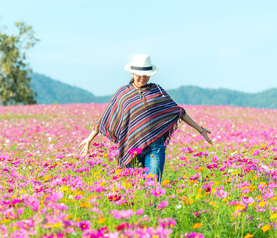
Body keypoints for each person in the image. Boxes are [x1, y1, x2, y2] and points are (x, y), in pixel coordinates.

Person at [78, 54, 212, 182]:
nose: (143, 78)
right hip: (131, 147)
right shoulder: (123, 93)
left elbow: (178, 112)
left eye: (146, 75)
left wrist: (200, 130)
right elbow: (107, 117)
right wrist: (89, 139)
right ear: (132, 73)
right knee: (134, 190)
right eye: (139, 74)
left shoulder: (157, 90)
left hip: (155, 147)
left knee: (153, 188)